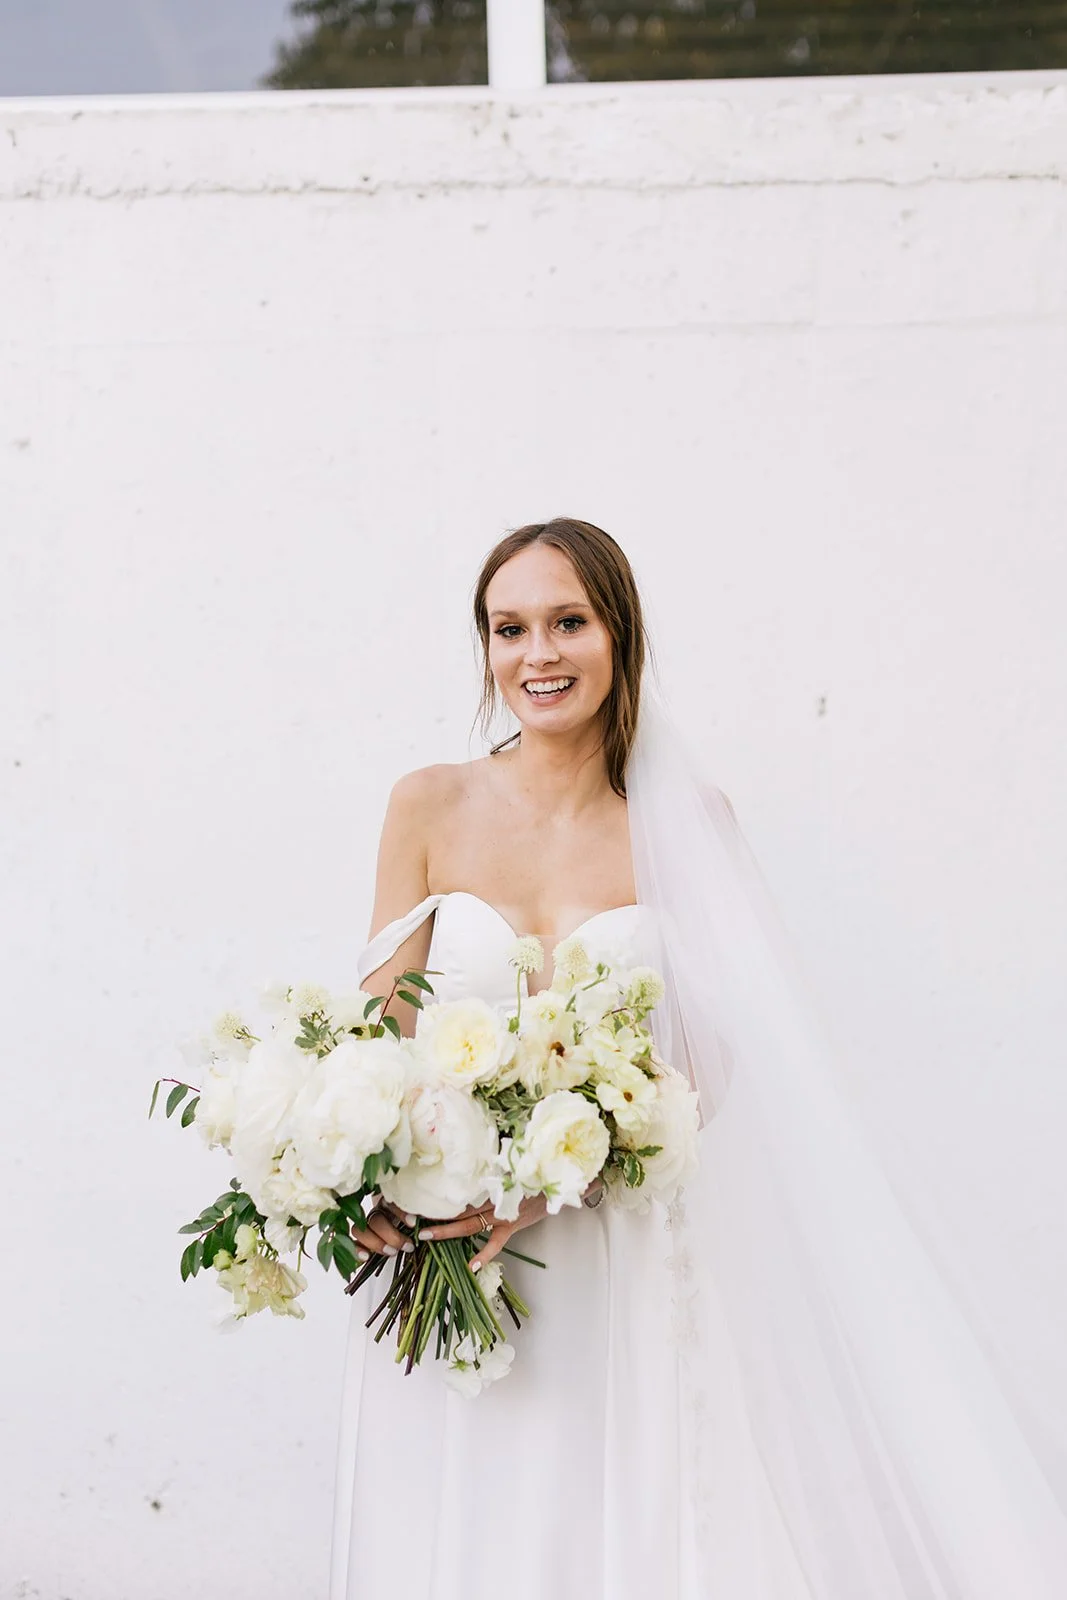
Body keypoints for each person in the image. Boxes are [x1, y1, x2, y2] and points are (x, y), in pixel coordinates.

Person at [330, 518, 1067, 1600]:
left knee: (628, 1525)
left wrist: (563, 1177)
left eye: (567, 622)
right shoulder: (426, 804)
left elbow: (714, 1056)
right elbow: (375, 1036)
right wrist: (358, 1174)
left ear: (617, 633)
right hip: (450, 1245)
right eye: (508, 628)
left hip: (610, 1244)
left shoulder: (686, 822)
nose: (537, 654)